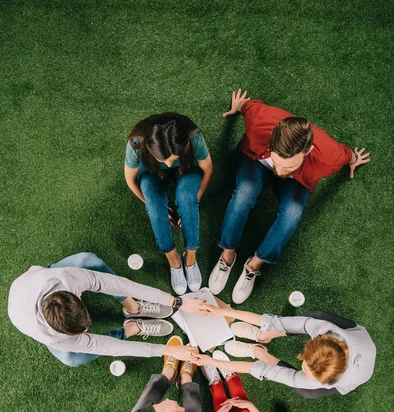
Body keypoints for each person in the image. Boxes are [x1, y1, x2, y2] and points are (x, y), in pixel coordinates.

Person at [208, 89, 371, 303]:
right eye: (278, 162)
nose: (280, 171)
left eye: (288, 165)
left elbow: (345, 154)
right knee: (243, 195)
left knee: (292, 214)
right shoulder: (260, 121)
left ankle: (254, 265)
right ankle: (228, 254)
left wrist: (352, 159)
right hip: (257, 162)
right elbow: (249, 106)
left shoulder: (328, 157)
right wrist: (239, 106)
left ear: (308, 150)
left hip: (298, 181)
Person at [8, 252, 205, 367]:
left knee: (87, 260)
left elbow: (120, 284)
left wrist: (177, 302)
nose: (86, 332)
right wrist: (166, 350)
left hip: (41, 277)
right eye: (81, 333)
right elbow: (110, 347)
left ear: (77, 295)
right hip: (24, 310)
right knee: (71, 359)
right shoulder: (56, 339)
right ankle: (130, 328)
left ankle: (132, 306)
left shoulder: (67, 278)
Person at [197, 307, 376, 397]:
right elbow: (276, 321)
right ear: (317, 338)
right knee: (314, 315)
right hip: (355, 336)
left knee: (304, 390)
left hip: (358, 368)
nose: (306, 376)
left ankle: (260, 352)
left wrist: (213, 363)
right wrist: (223, 311)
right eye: (306, 369)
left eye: (310, 374)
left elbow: (261, 370)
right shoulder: (321, 327)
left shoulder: (317, 382)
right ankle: (263, 336)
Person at [124, 113, 213, 295]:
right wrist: (150, 204)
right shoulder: (136, 144)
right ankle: (174, 261)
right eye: (163, 159)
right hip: (151, 172)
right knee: (156, 210)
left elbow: (207, 169)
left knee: (187, 200)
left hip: (187, 169)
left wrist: (195, 199)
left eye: (173, 158)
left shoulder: (193, 137)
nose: (169, 163)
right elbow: (130, 180)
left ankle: (190, 258)